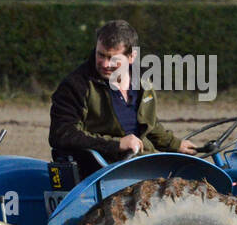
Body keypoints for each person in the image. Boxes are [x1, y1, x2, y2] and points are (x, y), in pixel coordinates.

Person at [49, 20, 197, 164]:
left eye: (113, 58)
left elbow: (149, 124)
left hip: (143, 161)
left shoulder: (143, 82)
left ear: (132, 56)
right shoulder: (75, 86)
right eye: (100, 55)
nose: (105, 64)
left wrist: (175, 144)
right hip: (102, 169)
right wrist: (116, 145)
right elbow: (62, 134)